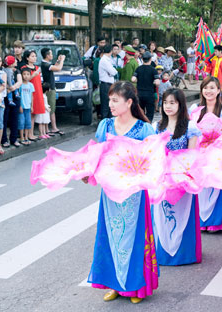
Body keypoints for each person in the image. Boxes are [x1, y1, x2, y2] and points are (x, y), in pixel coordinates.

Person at [86, 81, 158, 304]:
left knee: (134, 238)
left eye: (115, 100)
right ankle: (115, 284)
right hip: (110, 192)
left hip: (135, 194)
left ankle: (136, 287)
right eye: (110, 100)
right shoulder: (105, 126)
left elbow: (153, 160)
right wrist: (86, 171)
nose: (111, 104)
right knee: (112, 237)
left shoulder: (144, 129)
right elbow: (97, 157)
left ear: (129, 102)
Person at [152, 88, 202, 265]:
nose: (168, 106)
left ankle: (184, 254)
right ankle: (161, 253)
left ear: (180, 105)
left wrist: (181, 174)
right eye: (165, 102)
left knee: (182, 214)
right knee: (161, 215)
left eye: (172, 102)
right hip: (162, 179)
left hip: (182, 180)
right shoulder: (156, 127)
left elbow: (192, 155)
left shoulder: (190, 128)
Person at [189, 76, 222, 231]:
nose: (208, 91)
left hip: (218, 155)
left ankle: (215, 223)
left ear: (218, 90)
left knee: (216, 186)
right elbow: (189, 129)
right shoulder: (195, 109)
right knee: (201, 187)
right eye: (205, 88)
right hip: (200, 154)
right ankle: (201, 221)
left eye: (212, 88)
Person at [19, 50, 45, 140]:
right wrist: (33, 74)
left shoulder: (37, 67)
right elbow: (25, 80)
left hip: (37, 91)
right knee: (29, 114)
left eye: (35, 56)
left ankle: (32, 132)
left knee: (34, 114)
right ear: (27, 58)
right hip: (28, 93)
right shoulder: (24, 68)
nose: (34, 58)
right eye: (32, 56)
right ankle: (28, 134)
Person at [40, 48, 65, 135]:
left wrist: (58, 61)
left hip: (50, 88)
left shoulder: (46, 64)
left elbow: (55, 66)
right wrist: (62, 60)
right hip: (50, 89)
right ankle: (54, 127)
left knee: (51, 107)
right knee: (51, 108)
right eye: (51, 54)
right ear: (47, 56)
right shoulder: (45, 64)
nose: (52, 55)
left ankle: (50, 128)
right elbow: (58, 68)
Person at [131, 51, 160, 122]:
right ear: (150, 59)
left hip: (139, 94)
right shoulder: (154, 70)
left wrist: (138, 79)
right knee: (150, 112)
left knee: (140, 112)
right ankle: (148, 124)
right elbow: (157, 83)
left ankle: (141, 125)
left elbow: (133, 79)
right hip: (150, 94)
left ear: (143, 59)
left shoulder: (138, 69)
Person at [2, 55, 21, 148]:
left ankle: (14, 139)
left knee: (15, 119)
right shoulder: (4, 71)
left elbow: (19, 81)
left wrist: (13, 88)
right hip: (6, 97)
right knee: (4, 119)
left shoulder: (16, 71)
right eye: (15, 61)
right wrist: (9, 88)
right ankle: (4, 139)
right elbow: (5, 82)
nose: (17, 62)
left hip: (15, 96)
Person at [98, 45, 118, 119]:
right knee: (105, 106)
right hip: (105, 85)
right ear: (111, 51)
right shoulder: (104, 61)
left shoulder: (107, 59)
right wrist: (112, 72)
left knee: (110, 105)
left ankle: (109, 123)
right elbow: (113, 72)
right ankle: (105, 124)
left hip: (109, 85)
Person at [18, 68, 35, 146]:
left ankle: (26, 137)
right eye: (24, 74)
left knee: (28, 122)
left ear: (30, 75)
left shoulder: (31, 85)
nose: (26, 76)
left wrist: (32, 106)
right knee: (21, 122)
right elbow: (18, 96)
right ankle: (21, 137)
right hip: (22, 107)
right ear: (21, 75)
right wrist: (20, 106)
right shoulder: (20, 85)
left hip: (28, 107)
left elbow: (32, 96)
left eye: (28, 74)